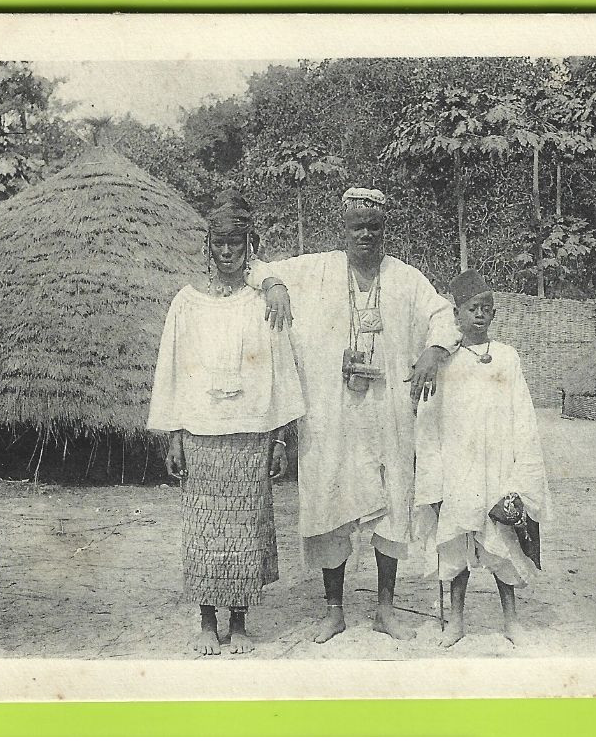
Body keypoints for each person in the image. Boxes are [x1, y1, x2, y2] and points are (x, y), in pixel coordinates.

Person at [249, 187, 460, 644]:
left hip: (388, 415)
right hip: (332, 415)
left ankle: (385, 609)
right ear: (342, 230)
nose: (366, 233)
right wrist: (275, 285)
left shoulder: (404, 278)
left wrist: (433, 349)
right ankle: (334, 610)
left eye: (374, 226)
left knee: (393, 505)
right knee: (330, 503)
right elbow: (257, 267)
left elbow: (444, 313)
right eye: (356, 226)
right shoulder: (316, 269)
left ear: (385, 231)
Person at [148, 192, 305, 656]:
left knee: (243, 531)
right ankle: (205, 621)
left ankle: (238, 622)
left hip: (250, 435)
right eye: (219, 242)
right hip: (200, 436)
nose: (226, 251)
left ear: (248, 245)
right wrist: (174, 436)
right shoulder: (186, 303)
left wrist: (278, 439)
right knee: (203, 533)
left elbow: (280, 370)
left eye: (236, 242)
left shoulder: (263, 303)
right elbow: (172, 371)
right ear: (208, 245)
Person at [414, 270, 552, 648]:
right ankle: (456, 622)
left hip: (498, 466)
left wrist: (522, 474)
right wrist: (433, 476)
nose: (480, 315)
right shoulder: (444, 361)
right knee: (458, 540)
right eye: (472, 308)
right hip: (458, 467)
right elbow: (429, 422)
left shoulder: (507, 357)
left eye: (487, 308)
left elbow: (523, 415)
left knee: (502, 544)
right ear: (456, 314)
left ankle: (511, 622)